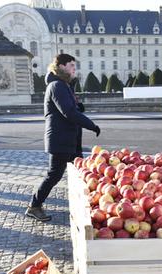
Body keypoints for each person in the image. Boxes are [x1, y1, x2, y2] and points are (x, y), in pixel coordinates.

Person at [26, 54, 100, 222]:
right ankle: (34, 206)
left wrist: (77, 105)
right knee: (55, 175)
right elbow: (68, 112)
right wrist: (91, 125)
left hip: (69, 140)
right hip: (61, 140)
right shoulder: (57, 85)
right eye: (71, 65)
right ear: (61, 66)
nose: (74, 68)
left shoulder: (64, 85)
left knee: (81, 173)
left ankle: (88, 206)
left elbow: (69, 108)